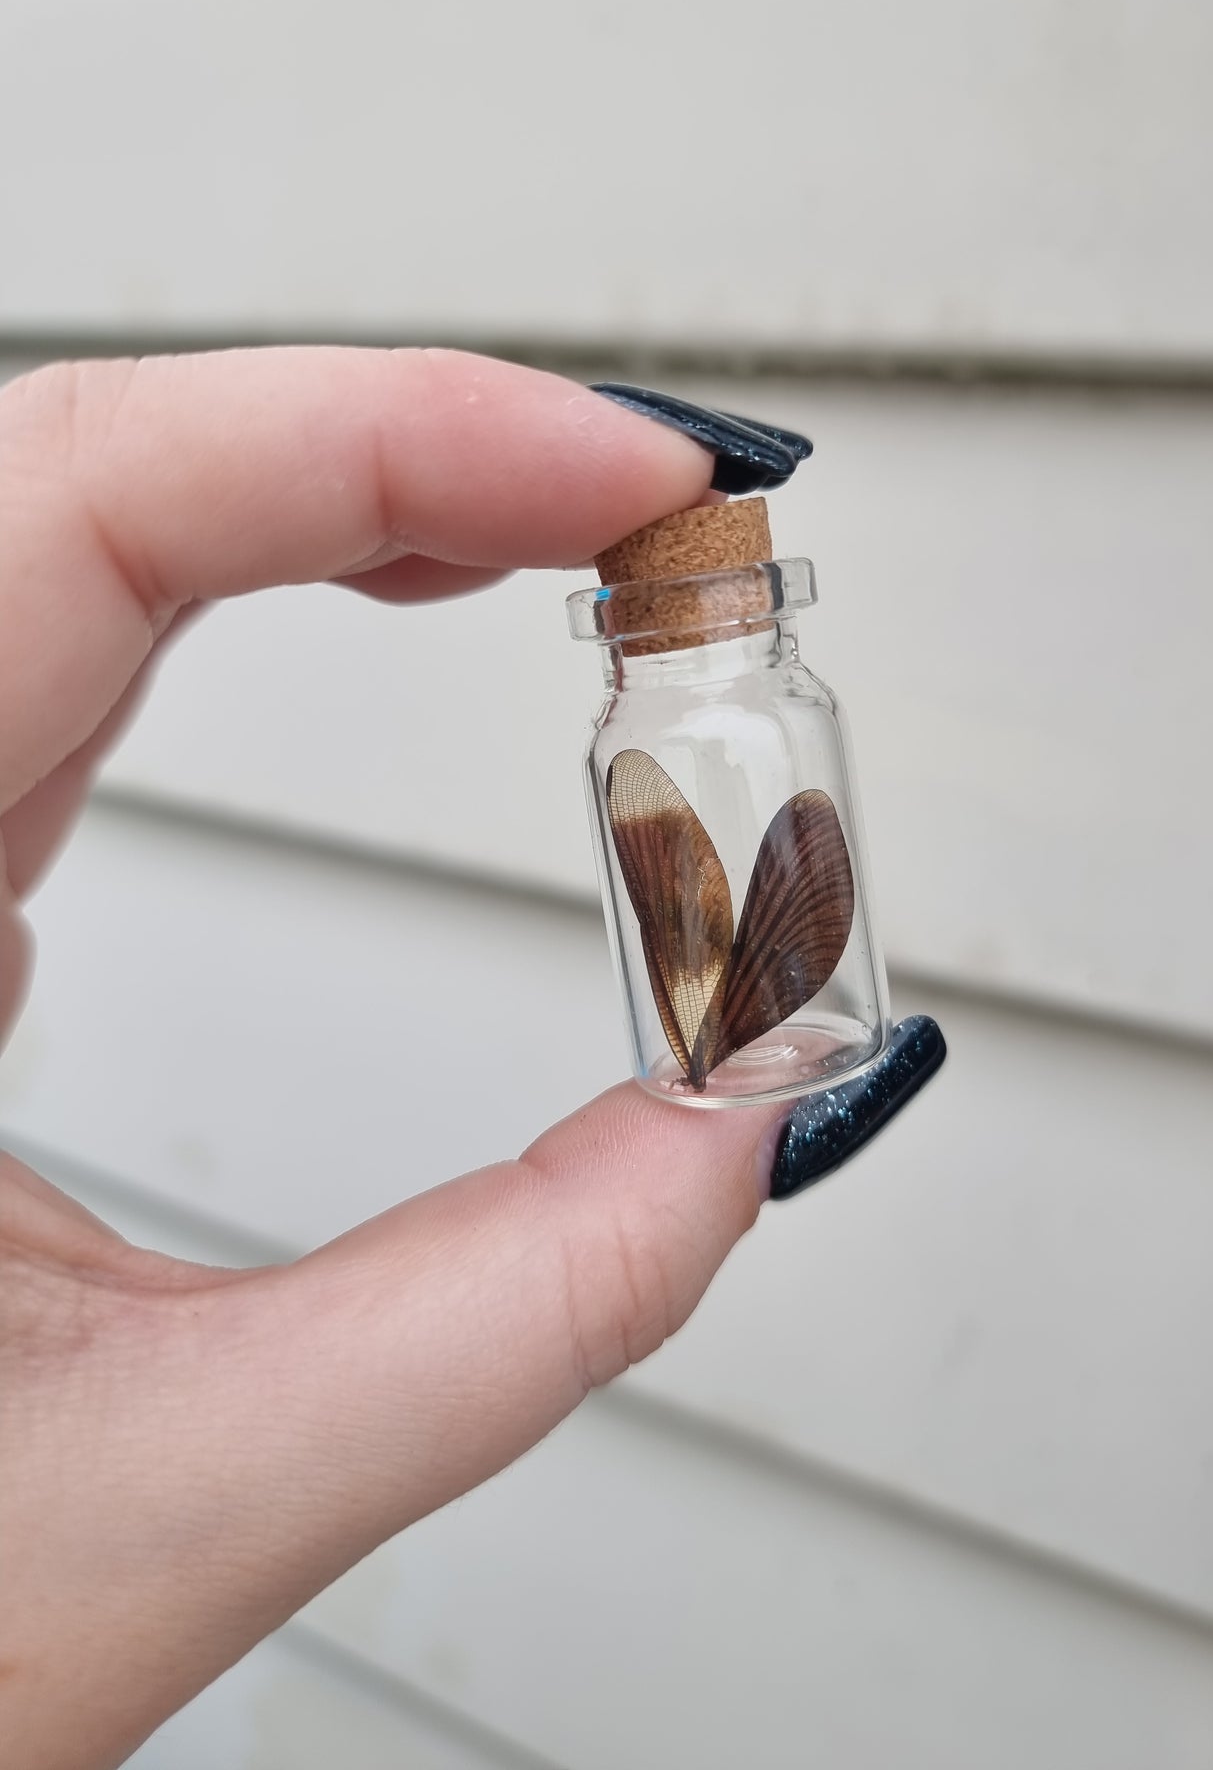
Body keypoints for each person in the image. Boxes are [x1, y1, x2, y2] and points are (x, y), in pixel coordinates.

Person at [0, 349, 941, 1769]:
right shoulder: (651, 719)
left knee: (745, 983)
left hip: (758, 992)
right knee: (713, 996)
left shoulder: (760, 706)